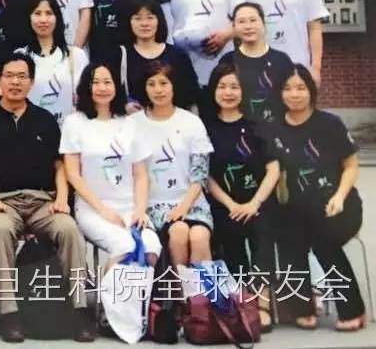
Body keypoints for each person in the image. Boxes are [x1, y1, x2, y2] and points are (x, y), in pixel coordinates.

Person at [0, 53, 95, 343]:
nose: (15, 82)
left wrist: (61, 198)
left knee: (68, 229)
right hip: (3, 201)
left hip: (42, 201)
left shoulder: (44, 119)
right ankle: (8, 313)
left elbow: (59, 165)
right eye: (9, 76)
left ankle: (79, 309)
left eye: (22, 76)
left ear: (31, 82)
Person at [267, 66, 366, 332]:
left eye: (301, 88)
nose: (294, 94)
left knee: (324, 240)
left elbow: (351, 166)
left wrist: (340, 196)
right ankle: (302, 309)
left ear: (311, 91)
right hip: (298, 208)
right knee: (289, 238)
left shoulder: (330, 124)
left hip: (338, 205)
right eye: (287, 89)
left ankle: (353, 311)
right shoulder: (273, 129)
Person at [59, 64, 161, 275]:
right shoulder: (74, 122)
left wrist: (140, 210)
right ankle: (108, 295)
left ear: (116, 86)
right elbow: (73, 174)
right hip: (92, 209)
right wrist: (103, 210)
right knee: (125, 247)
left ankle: (127, 297)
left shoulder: (130, 124)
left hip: (129, 207)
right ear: (86, 87)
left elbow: (141, 174)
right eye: (95, 82)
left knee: (151, 248)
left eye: (107, 82)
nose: (102, 87)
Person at [203, 60, 279, 332]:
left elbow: (273, 168)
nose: (228, 92)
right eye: (222, 86)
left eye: (234, 87)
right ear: (214, 90)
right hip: (225, 203)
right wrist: (231, 204)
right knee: (229, 235)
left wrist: (254, 203)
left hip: (259, 201)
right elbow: (205, 175)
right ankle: (244, 300)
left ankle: (263, 303)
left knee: (263, 234)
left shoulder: (258, 125)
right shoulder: (206, 128)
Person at [131, 64, 214, 270]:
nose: (158, 90)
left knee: (199, 236)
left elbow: (200, 175)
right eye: (151, 84)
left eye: (164, 83)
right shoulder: (132, 124)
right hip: (152, 205)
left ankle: (199, 290)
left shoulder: (192, 122)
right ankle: (180, 287)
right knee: (178, 232)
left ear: (174, 86)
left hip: (191, 202)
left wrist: (183, 207)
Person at [216, 3, 295, 126]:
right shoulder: (228, 60)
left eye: (253, 20)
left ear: (263, 23)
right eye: (241, 21)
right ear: (234, 27)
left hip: (277, 129)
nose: (248, 26)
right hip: (239, 129)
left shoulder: (281, 60)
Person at [15, 0, 89, 125]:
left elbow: (87, 96)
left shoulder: (76, 56)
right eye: (37, 13)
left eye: (49, 13)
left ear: (57, 18)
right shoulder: (19, 57)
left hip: (68, 131)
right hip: (32, 131)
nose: (43, 19)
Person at [118, 0, 197, 111]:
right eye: (138, 18)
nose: (144, 23)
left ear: (159, 20)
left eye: (150, 17)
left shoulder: (178, 55)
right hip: (134, 120)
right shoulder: (119, 55)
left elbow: (191, 95)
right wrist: (124, 107)